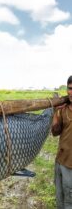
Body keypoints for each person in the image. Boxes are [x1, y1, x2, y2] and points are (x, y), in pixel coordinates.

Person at [52, 75, 72, 209]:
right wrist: (56, 112)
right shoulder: (64, 110)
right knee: (60, 196)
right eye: (70, 88)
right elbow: (55, 132)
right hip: (61, 160)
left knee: (69, 200)